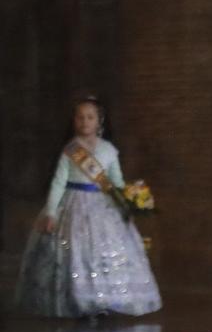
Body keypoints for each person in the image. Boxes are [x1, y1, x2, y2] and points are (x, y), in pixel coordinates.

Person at [14, 95, 161, 319]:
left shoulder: (109, 150)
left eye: (90, 117)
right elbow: (58, 182)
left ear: (99, 121)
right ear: (74, 121)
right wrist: (52, 212)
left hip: (103, 207)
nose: (85, 121)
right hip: (72, 207)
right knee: (75, 255)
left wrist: (129, 201)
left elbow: (116, 182)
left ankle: (106, 302)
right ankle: (78, 302)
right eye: (80, 117)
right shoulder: (70, 150)